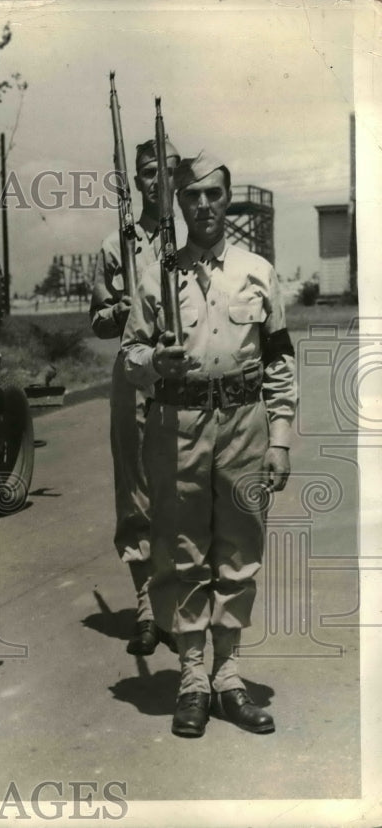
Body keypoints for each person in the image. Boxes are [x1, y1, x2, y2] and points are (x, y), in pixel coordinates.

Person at [122, 151, 296, 738]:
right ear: (179, 203)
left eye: (213, 196)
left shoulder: (258, 269)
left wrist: (280, 438)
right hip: (179, 426)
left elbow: (279, 359)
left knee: (239, 548)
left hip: (245, 423)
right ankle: (192, 678)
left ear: (226, 199)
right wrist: (153, 361)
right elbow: (129, 355)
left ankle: (230, 677)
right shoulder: (158, 274)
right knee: (183, 551)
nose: (203, 206)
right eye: (191, 197)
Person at [90, 138, 180, 656]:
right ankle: (147, 604)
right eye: (148, 171)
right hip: (132, 378)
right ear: (137, 180)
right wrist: (119, 310)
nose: (157, 180)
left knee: (184, 489)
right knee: (136, 492)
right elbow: (98, 321)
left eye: (167, 170)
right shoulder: (113, 245)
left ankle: (180, 598)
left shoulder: (190, 238)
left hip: (181, 379)